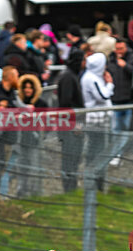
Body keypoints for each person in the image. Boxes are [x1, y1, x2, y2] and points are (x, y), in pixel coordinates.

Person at [81, 52, 114, 190]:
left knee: (100, 149)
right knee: (97, 150)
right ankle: (93, 181)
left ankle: (98, 180)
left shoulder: (94, 77)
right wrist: (110, 84)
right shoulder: (91, 78)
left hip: (101, 119)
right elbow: (103, 96)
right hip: (97, 120)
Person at [57, 48, 85, 192]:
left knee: (74, 158)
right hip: (71, 127)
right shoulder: (68, 77)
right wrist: (76, 124)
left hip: (73, 125)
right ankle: (69, 187)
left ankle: (71, 186)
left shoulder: (72, 75)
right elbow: (66, 103)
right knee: (70, 158)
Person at [107, 39, 133, 134]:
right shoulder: (111, 60)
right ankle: (118, 149)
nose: (119, 51)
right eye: (117, 49)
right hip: (115, 100)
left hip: (129, 99)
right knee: (116, 128)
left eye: (121, 48)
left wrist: (126, 66)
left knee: (128, 128)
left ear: (126, 48)